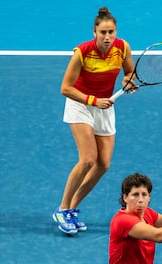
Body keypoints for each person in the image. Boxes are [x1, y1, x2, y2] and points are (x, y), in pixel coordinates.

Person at [53, 7, 137, 235]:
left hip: (104, 106)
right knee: (88, 159)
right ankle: (62, 209)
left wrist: (129, 82)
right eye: (103, 32)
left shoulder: (123, 48)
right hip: (81, 104)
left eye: (111, 32)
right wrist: (92, 100)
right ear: (94, 32)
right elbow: (65, 88)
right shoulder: (82, 53)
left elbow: (129, 72)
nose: (107, 37)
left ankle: (71, 208)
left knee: (103, 164)